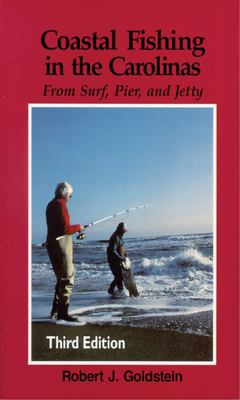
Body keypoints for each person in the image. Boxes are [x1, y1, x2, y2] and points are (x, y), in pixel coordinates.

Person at [46, 181, 84, 321]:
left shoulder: (51, 205)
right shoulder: (60, 205)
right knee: (67, 277)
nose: (70, 198)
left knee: (61, 278)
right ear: (65, 194)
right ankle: (63, 314)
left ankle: (55, 311)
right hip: (60, 246)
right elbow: (64, 229)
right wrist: (78, 227)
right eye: (70, 195)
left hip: (52, 244)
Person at [107, 222, 128, 296]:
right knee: (119, 276)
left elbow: (120, 247)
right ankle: (111, 289)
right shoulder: (115, 237)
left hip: (118, 260)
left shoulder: (119, 237)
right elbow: (112, 250)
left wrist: (125, 253)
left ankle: (120, 291)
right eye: (124, 231)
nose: (125, 232)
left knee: (119, 276)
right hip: (113, 260)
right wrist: (120, 257)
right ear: (121, 230)